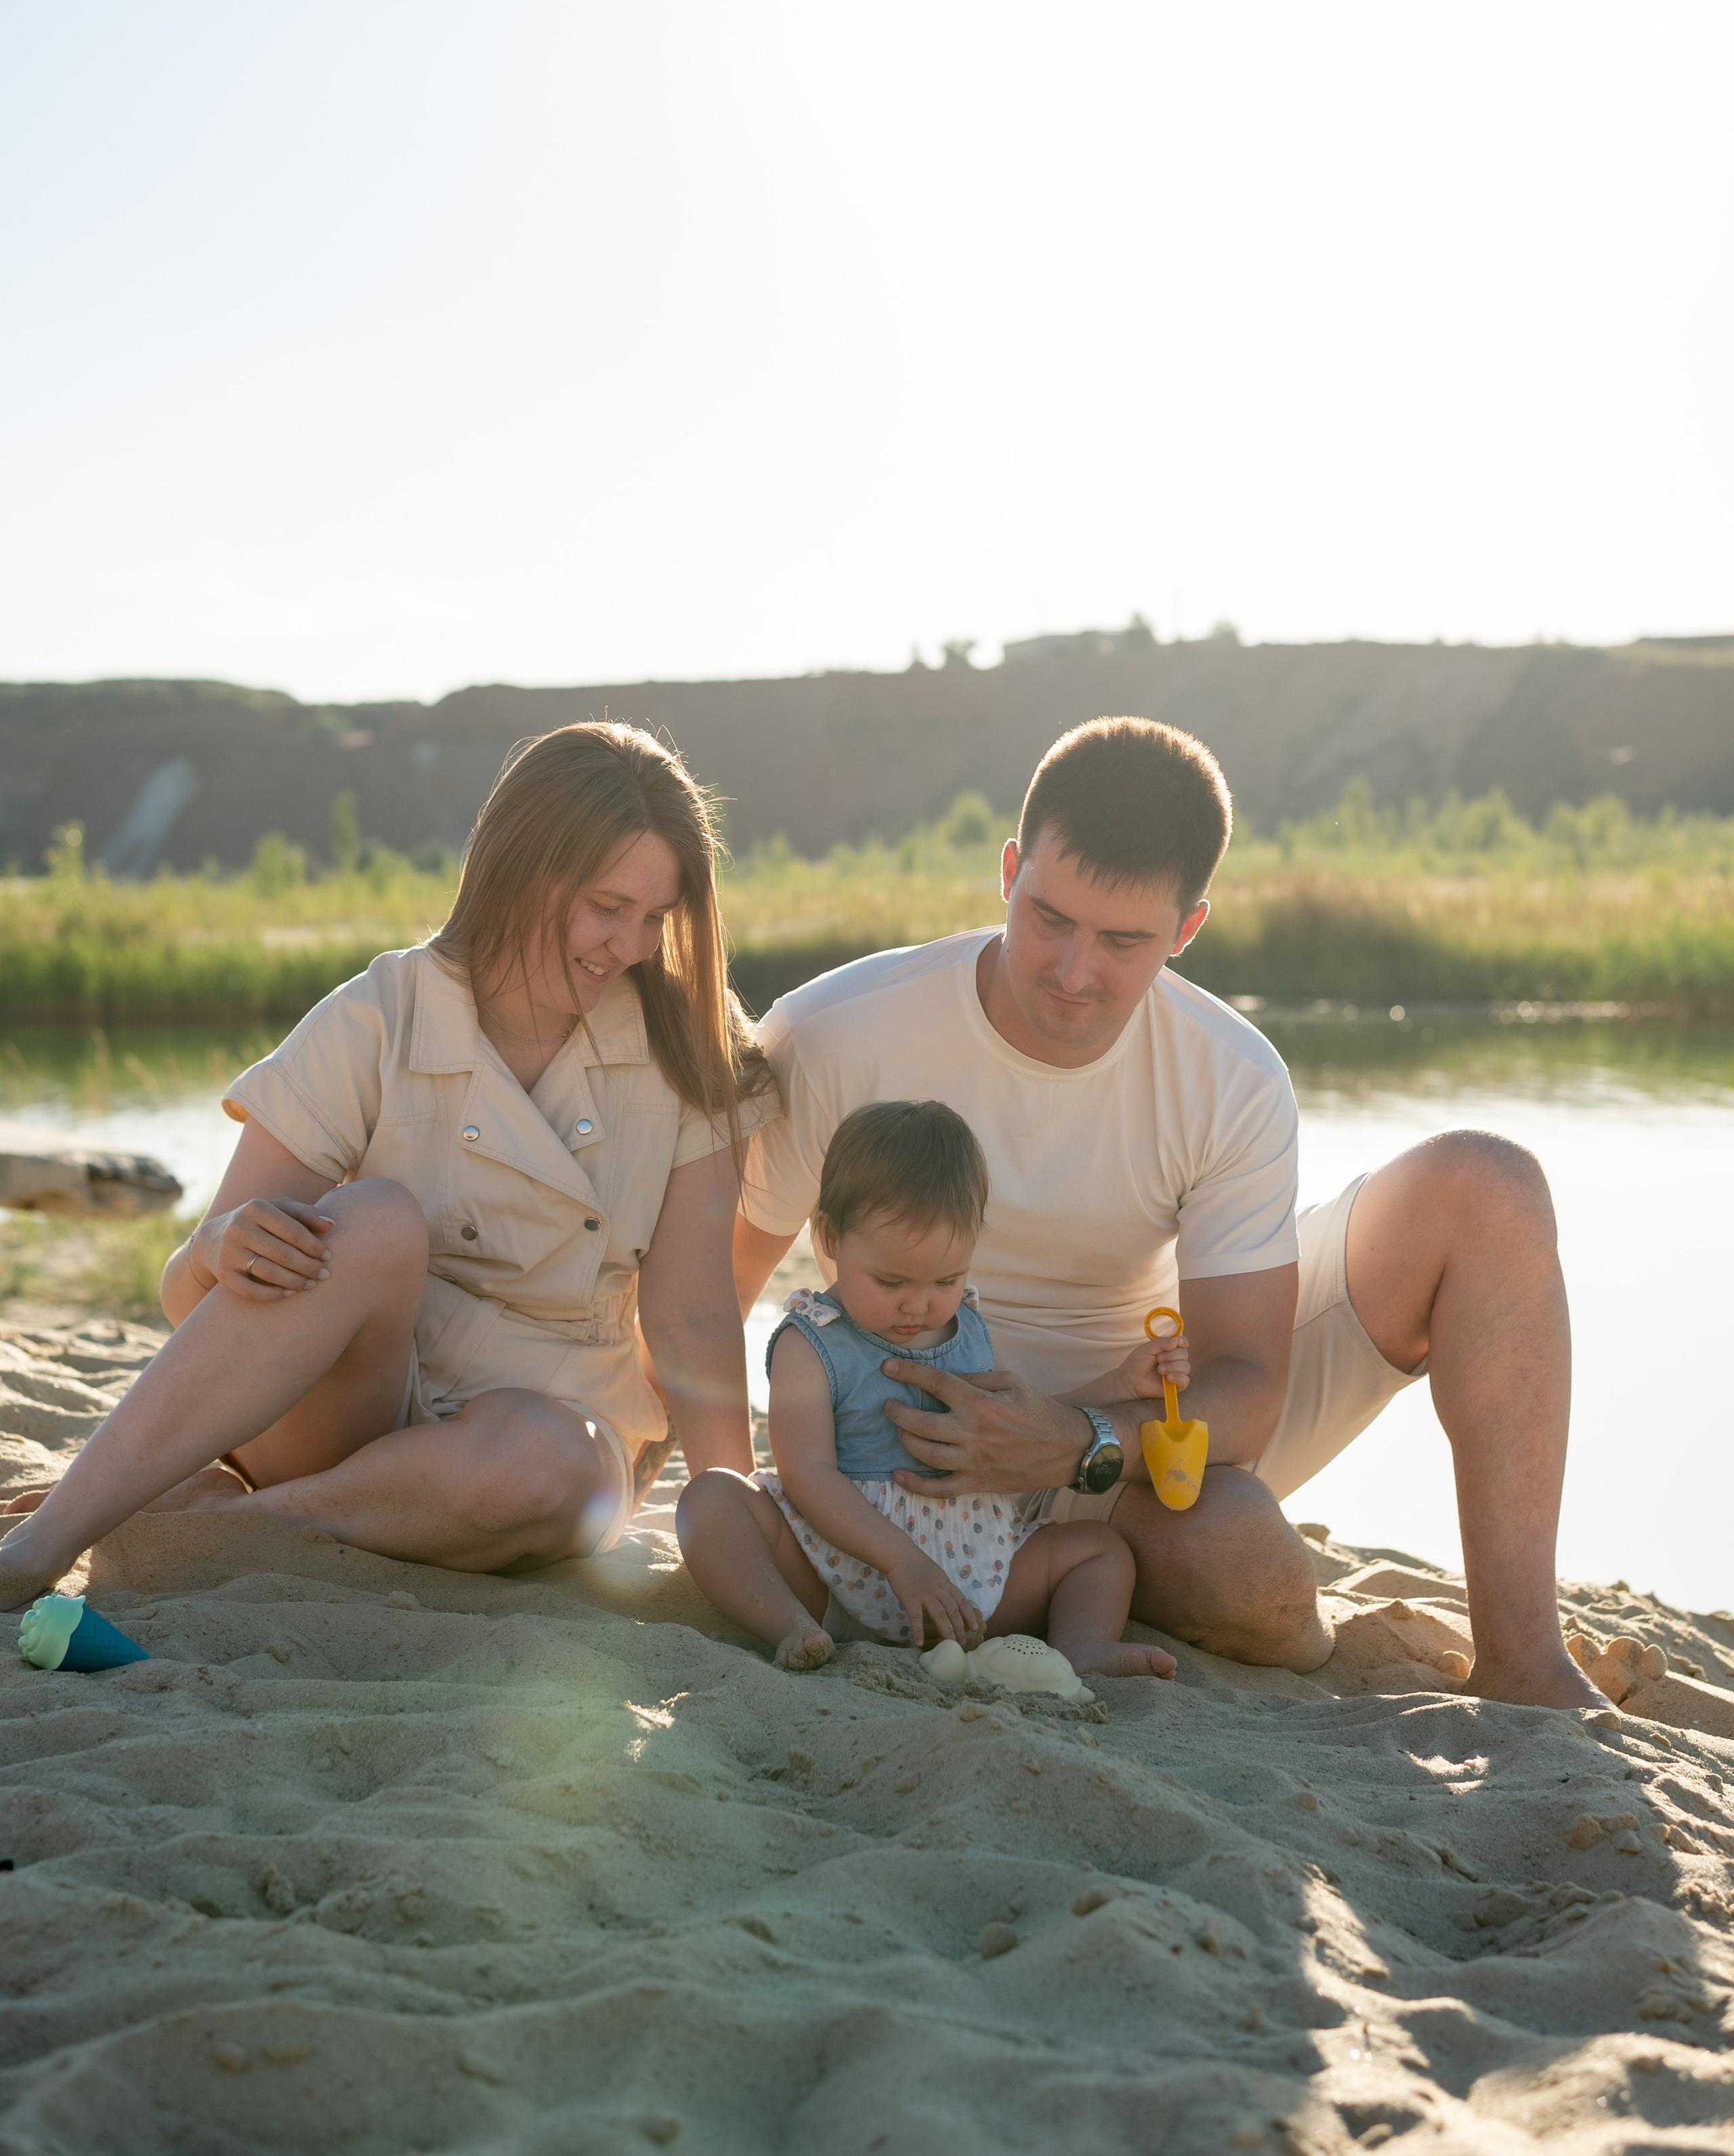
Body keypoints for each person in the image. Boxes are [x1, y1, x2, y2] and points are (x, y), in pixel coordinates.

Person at [731, 717, 1607, 1712]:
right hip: (915, 1466)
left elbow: (1247, 1388)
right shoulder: (839, 1029)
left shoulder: (1229, 1074)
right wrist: (747, 1516)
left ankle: (1528, 1663)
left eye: (1121, 940)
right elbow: (717, 1296)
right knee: (1251, 1569)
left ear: (1187, 929)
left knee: (1490, 1186)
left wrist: (1079, 1438)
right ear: (1010, 870)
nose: (1072, 969)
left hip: (1131, 1431)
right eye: (1049, 916)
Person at [0, 723, 776, 1611]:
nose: (632, 943)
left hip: (541, 1435)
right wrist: (223, 1243)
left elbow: (693, 1307)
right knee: (372, 1221)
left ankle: (228, 1524)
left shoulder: (690, 1044)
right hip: (338, 1413)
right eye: (608, 906)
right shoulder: (380, 1014)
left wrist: (731, 1503)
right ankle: (40, 1546)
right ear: (520, 867)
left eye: (655, 914)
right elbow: (190, 1295)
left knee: (546, 1464)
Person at [679, 1097, 1186, 1679]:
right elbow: (806, 1473)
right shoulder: (812, 1342)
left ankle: (1081, 1645)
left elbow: (1024, 1417)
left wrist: (1123, 1382)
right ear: (831, 1237)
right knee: (711, 1500)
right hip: (839, 1577)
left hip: (978, 1585)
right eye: (890, 1280)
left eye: (947, 1278)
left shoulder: (967, 1324)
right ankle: (792, 1625)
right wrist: (902, 1560)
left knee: (1101, 1551)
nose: (919, 1304)